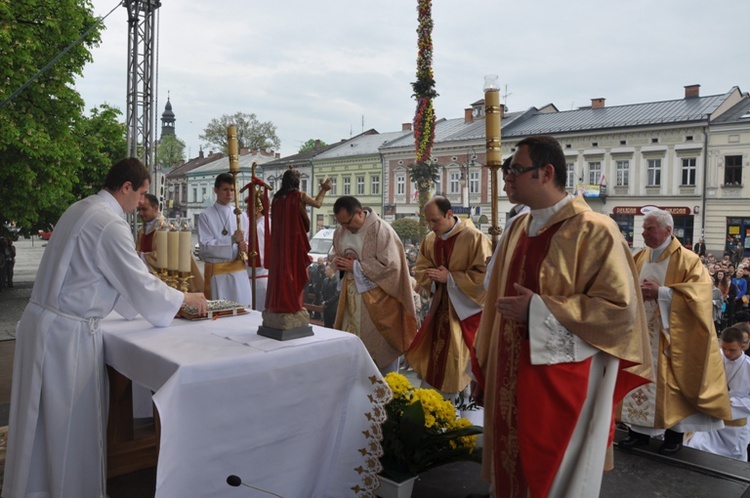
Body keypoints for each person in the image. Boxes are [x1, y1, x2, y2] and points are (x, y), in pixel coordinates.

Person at [1, 158, 207, 498]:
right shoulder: (109, 224)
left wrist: (153, 304)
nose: (142, 201)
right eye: (141, 193)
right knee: (66, 433)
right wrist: (183, 298)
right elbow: (138, 284)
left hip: (46, 327)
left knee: (41, 433)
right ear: (126, 187)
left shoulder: (82, 208)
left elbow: (109, 281)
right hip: (67, 339)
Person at [473, 135, 653, 498]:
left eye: (515, 170)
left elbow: (620, 311)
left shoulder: (595, 230)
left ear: (546, 172)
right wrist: (487, 367)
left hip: (563, 381)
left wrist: (539, 310)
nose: (506, 178)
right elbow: (494, 301)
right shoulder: (516, 230)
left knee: (553, 479)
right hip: (511, 373)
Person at [619, 208, 732, 455]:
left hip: (673, 336)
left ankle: (674, 436)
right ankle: (638, 434)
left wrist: (661, 293)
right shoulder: (640, 257)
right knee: (639, 384)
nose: (643, 232)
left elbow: (701, 296)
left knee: (673, 386)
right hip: (641, 336)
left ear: (668, 230)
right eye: (644, 228)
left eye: (650, 228)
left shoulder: (688, 260)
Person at [406, 196, 491, 397]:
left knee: (459, 363)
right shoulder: (430, 240)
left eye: (435, 220)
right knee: (436, 360)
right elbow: (419, 267)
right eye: (428, 221)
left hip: (464, 314)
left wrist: (450, 278)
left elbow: (486, 277)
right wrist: (434, 278)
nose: (431, 226)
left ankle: (458, 409)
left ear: (449, 214)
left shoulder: (474, 238)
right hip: (438, 310)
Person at [331, 196, 418, 373]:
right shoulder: (340, 231)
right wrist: (338, 262)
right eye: (341, 224)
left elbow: (392, 267)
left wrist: (356, 266)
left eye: (347, 223)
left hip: (379, 304)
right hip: (350, 301)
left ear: (359, 213)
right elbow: (333, 254)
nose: (344, 228)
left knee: (380, 356)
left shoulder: (381, 230)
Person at [264, 168, 331, 314]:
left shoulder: (276, 198)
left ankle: (278, 302)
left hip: (279, 244)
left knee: (280, 272)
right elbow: (318, 204)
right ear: (297, 182)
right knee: (294, 271)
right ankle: (292, 303)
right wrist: (324, 190)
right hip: (294, 242)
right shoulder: (299, 195)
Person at [686, 326, 750, 461]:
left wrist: (728, 402)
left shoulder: (748, 367)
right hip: (712, 417)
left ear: (742, 346)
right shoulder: (715, 359)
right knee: (697, 445)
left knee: (734, 459)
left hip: (734, 423)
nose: (727, 353)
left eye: (732, 350)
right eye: (724, 348)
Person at [198, 173, 252, 305]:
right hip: (219, 276)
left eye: (232, 190)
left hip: (240, 275)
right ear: (216, 190)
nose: (229, 194)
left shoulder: (241, 215)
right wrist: (231, 239)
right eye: (225, 189)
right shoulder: (205, 216)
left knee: (242, 311)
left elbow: (249, 244)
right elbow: (205, 248)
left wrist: (246, 248)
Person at [319, 263, 340, 328]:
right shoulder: (325, 280)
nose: (325, 272)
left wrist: (327, 302)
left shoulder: (336, 281)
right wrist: (322, 301)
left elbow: (336, 295)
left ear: (331, 270)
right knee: (326, 325)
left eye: (326, 270)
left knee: (333, 325)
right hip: (326, 307)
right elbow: (321, 292)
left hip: (333, 308)